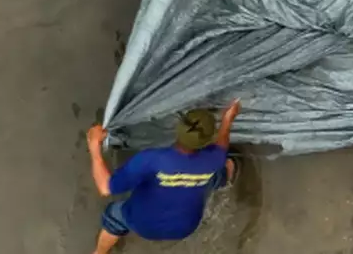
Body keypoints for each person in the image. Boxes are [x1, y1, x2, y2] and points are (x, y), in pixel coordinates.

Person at [84, 100, 241, 254]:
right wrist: (227, 119)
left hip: (143, 224)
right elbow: (223, 141)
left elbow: (105, 187)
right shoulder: (214, 158)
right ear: (208, 140)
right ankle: (225, 179)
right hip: (185, 227)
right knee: (217, 173)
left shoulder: (151, 160)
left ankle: (100, 252)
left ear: (178, 130)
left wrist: (94, 148)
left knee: (114, 215)